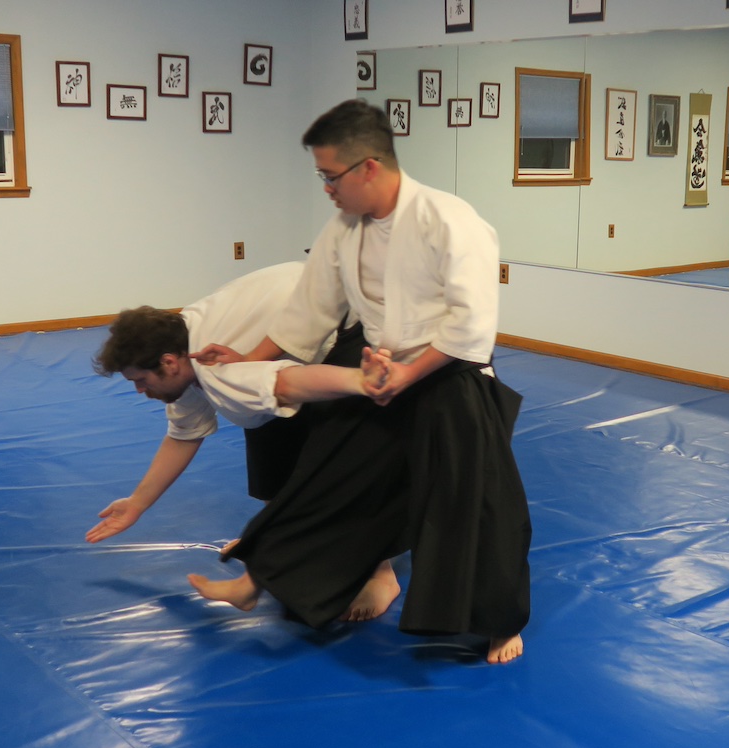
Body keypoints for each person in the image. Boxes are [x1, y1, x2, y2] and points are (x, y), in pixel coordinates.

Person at [189, 99, 532, 664]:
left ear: (368, 166)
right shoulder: (345, 227)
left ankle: (498, 624)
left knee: (476, 500)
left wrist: (410, 373)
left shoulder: (450, 220)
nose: (326, 188)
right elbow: (311, 309)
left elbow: (472, 323)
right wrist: (247, 357)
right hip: (379, 369)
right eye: (320, 177)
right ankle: (257, 584)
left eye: (330, 176)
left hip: (451, 373)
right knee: (327, 470)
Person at [85, 262, 399, 620]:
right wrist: (137, 503)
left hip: (348, 321)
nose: (141, 391)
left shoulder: (221, 368)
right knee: (267, 440)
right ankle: (274, 543)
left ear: (169, 363)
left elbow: (288, 384)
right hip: (287, 320)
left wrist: (361, 382)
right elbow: (183, 436)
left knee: (340, 457)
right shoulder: (180, 352)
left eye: (140, 381)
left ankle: (379, 572)